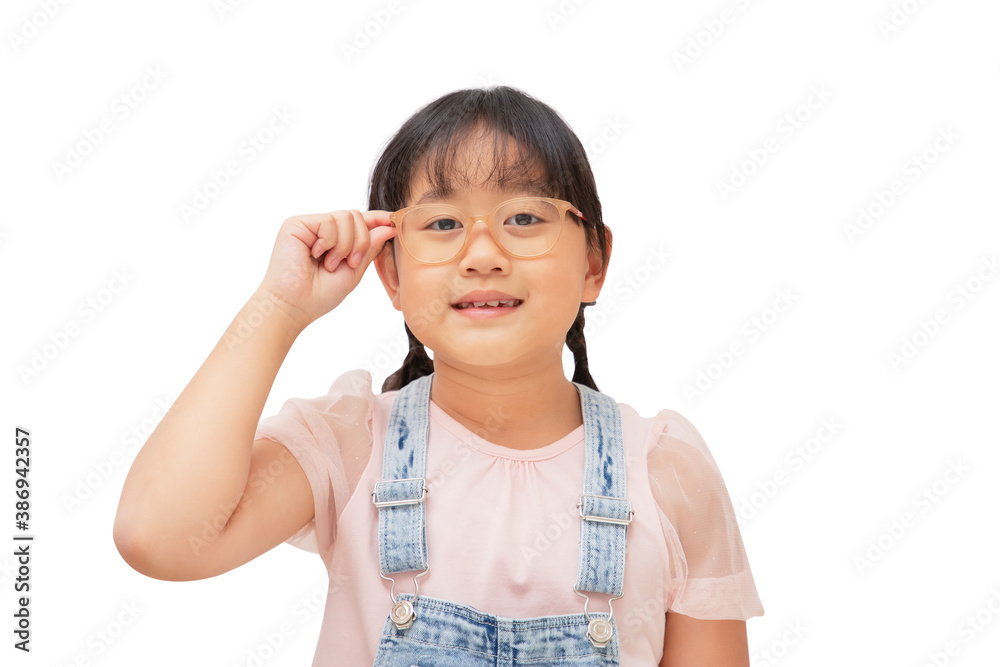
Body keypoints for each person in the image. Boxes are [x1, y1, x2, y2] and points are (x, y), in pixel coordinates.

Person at [114, 85, 764, 666]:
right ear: (392, 272)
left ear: (594, 260)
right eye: (444, 223)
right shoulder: (352, 444)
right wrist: (279, 308)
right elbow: (158, 535)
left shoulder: (665, 472)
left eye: (525, 218)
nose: (483, 253)